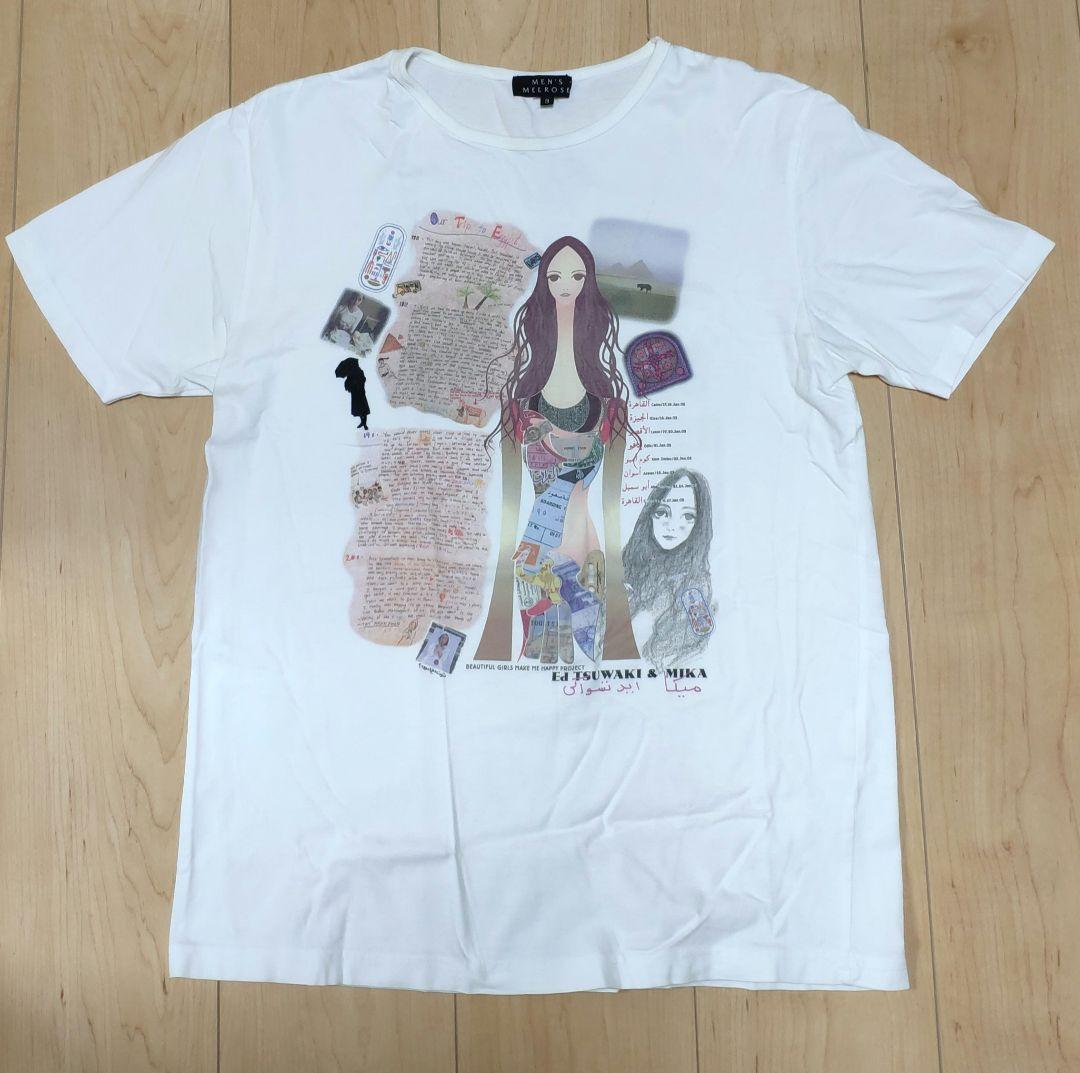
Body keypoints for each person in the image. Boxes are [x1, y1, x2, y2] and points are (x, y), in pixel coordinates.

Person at [475, 236, 639, 664]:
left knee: (589, 649)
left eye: (577, 276)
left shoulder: (609, 403)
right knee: (544, 653)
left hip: (588, 556)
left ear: (590, 282)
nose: (566, 286)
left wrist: (602, 558)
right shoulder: (520, 401)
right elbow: (510, 502)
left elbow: (609, 504)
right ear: (543, 282)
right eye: (555, 276)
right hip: (534, 555)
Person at [622, 468, 715, 671]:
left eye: (688, 516)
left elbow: (691, 648)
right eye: (662, 512)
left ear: (700, 523)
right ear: (650, 514)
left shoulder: (694, 585)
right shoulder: (632, 561)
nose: (672, 525)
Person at [335, 356, 370, 429]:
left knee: (363, 409)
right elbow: (348, 382)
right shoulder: (350, 373)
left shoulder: (359, 371)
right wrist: (349, 384)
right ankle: (362, 422)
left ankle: (364, 424)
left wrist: (355, 383)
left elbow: (363, 379)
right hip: (355, 394)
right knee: (358, 409)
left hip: (360, 393)